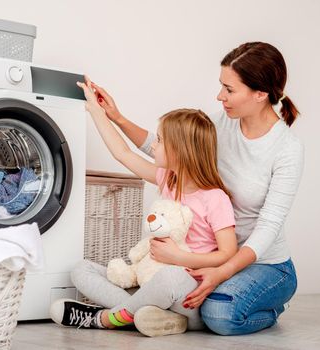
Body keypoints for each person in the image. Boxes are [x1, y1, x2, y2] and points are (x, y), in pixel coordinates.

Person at [84, 41, 304, 336]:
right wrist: (116, 117)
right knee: (177, 293)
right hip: (209, 254)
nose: (219, 96)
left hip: (264, 264)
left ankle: (269, 307)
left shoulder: (286, 149)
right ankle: (144, 311)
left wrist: (220, 272)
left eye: (229, 89)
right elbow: (171, 150)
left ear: (260, 94)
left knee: (219, 314)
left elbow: (269, 226)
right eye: (221, 86)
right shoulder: (222, 123)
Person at [50, 79, 238, 337]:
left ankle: (105, 319)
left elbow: (229, 253)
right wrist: (95, 110)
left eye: (159, 140)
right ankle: (147, 316)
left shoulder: (215, 198)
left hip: (188, 294)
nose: (154, 145)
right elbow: (123, 153)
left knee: (169, 278)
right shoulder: (168, 180)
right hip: (151, 287)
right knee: (82, 270)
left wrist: (181, 258)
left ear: (180, 151)